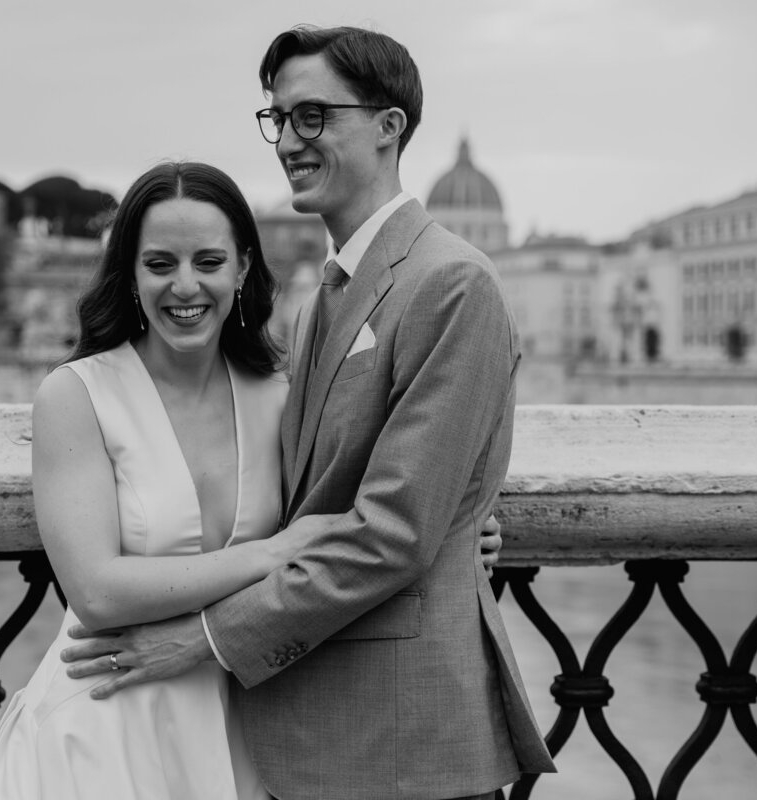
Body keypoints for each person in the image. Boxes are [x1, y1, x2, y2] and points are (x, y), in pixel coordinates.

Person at [62, 24, 555, 800]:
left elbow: (396, 531)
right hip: (311, 734)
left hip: (401, 742)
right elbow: (325, 495)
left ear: (389, 125)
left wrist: (206, 638)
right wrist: (458, 523)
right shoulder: (320, 301)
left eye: (314, 116)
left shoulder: (452, 282)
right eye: (280, 118)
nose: (290, 140)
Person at [0, 161, 503, 799]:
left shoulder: (281, 398)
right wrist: (271, 552)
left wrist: (460, 530)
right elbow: (98, 593)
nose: (184, 286)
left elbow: (373, 515)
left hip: (246, 723)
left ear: (243, 268)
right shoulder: (74, 395)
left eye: (209, 262)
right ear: (129, 274)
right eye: (159, 264)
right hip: (103, 722)